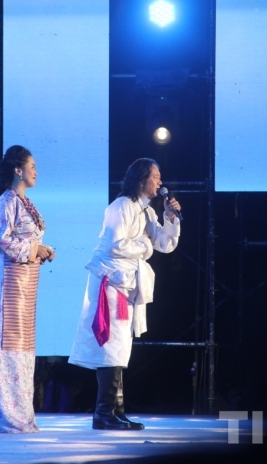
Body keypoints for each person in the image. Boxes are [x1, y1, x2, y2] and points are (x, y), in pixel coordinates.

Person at [68, 158, 181, 430]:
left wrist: (170, 218)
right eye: (155, 176)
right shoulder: (121, 206)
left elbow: (165, 244)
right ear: (141, 179)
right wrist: (144, 246)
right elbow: (114, 244)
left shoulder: (148, 212)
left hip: (127, 284)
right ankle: (103, 413)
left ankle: (116, 411)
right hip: (111, 283)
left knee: (121, 346)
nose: (160, 182)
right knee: (112, 344)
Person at [0, 145, 55, 433]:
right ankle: (6, 416)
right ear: (18, 169)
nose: (36, 171)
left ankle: (22, 414)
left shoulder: (25, 202)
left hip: (27, 282)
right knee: (10, 346)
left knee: (24, 348)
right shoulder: (7, 201)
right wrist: (35, 249)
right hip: (12, 282)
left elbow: (27, 240)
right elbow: (1, 240)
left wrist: (43, 250)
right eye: (32, 166)